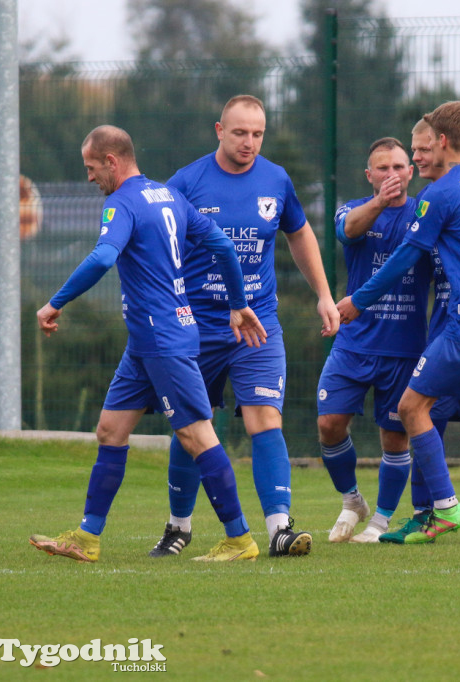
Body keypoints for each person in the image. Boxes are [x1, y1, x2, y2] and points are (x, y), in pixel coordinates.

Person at [30, 125, 268, 563]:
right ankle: (87, 537)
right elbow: (224, 247)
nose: (89, 178)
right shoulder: (170, 197)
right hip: (147, 340)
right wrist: (237, 304)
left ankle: (240, 539)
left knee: (196, 435)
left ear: (111, 162)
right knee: (110, 431)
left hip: (162, 338)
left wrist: (55, 302)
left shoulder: (122, 203)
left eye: (90, 167)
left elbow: (103, 257)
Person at [145, 95, 340, 559]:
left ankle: (279, 528)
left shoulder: (276, 179)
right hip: (194, 324)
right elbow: (155, 241)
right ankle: (179, 527)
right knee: (194, 424)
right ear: (219, 130)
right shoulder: (186, 182)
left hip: (257, 324)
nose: (249, 142)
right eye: (239, 133)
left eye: (257, 134)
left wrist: (324, 294)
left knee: (264, 417)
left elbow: (299, 233)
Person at [337, 102, 460, 544]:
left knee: (411, 409)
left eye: (422, 148)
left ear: (444, 142)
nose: (417, 158)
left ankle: (444, 508)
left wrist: (359, 301)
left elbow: (405, 257)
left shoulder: (441, 194)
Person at [317, 137, 433, 543]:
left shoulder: (425, 212)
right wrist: (380, 203)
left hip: (405, 346)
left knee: (395, 436)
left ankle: (380, 521)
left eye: (400, 167)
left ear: (412, 170)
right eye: (382, 168)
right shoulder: (353, 210)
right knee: (329, 424)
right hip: (353, 343)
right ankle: (352, 500)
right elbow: (348, 232)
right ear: (369, 175)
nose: (392, 175)